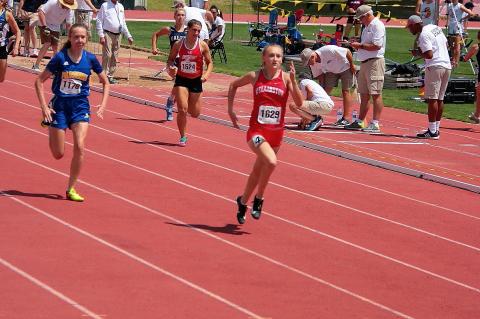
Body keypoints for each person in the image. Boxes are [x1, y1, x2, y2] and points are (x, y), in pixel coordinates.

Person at [228, 44, 303, 224]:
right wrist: (230, 110)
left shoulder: (286, 78)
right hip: (256, 131)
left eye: (278, 56)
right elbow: (233, 85)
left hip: (276, 133)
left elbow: (300, 103)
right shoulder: (255, 76)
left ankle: (243, 201)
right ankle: (259, 198)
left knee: (258, 171)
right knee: (271, 161)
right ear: (264, 58)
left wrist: (293, 82)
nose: (275, 59)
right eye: (271, 55)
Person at [34, 23, 109, 201]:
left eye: (83, 37)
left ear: (87, 38)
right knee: (58, 154)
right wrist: (44, 107)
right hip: (59, 108)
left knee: (80, 146)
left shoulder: (90, 59)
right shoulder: (60, 58)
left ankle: (71, 188)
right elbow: (38, 81)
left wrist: (103, 105)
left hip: (80, 107)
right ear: (70, 38)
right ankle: (50, 125)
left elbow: (106, 82)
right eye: (76, 37)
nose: (80, 40)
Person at [166, 19, 213, 146]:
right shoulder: (178, 44)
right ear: (188, 29)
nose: (196, 33)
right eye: (194, 30)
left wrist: (206, 75)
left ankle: (179, 100)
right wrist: (170, 68)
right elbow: (170, 60)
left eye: (198, 31)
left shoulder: (203, 45)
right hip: (182, 79)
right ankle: (183, 136)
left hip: (196, 81)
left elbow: (210, 63)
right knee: (182, 109)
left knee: (195, 113)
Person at [406, 15, 451, 139]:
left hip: (435, 66)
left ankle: (432, 131)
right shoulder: (434, 27)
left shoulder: (423, 35)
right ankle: (435, 128)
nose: (410, 30)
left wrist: (417, 53)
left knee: (432, 99)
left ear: (415, 25)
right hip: (446, 65)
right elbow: (446, 44)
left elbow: (429, 54)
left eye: (410, 27)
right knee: (440, 98)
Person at [345, 5, 386, 133]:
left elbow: (377, 45)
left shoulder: (377, 25)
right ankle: (360, 121)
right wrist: (357, 41)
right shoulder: (367, 26)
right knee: (364, 94)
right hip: (365, 62)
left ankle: (375, 123)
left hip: (375, 62)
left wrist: (360, 45)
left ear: (367, 15)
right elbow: (368, 42)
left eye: (361, 18)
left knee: (376, 93)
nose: (360, 21)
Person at [300, 45, 356, 126]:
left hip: (345, 67)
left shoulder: (328, 50)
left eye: (308, 62)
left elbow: (347, 51)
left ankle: (345, 118)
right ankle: (317, 115)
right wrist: (321, 89)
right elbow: (320, 77)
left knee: (345, 91)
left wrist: (352, 65)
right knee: (324, 92)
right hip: (331, 71)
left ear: (312, 56)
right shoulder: (313, 64)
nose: (309, 64)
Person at [151, 7, 186, 121]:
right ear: (174, 17)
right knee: (179, 82)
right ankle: (170, 104)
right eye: (178, 15)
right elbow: (155, 34)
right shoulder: (169, 30)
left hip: (185, 62)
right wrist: (154, 48)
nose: (180, 17)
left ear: (185, 17)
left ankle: (171, 100)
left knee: (181, 87)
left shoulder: (188, 31)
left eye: (182, 15)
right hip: (172, 61)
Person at [96, 0, 133, 84]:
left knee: (115, 56)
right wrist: (101, 35)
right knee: (107, 55)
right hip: (107, 33)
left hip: (118, 34)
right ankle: (104, 76)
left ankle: (110, 76)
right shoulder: (105, 5)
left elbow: (123, 22)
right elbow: (99, 20)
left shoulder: (121, 6)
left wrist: (128, 36)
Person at [32, 0, 76, 71]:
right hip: (44, 23)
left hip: (56, 26)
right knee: (47, 43)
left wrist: (71, 36)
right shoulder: (52, 2)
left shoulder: (70, 10)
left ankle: (56, 67)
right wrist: (44, 26)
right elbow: (41, 12)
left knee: (55, 47)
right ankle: (36, 65)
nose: (68, 8)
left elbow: (68, 25)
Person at [444, 0, 474, 68]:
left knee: (457, 46)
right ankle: (453, 60)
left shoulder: (460, 6)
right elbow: (449, 15)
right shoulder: (449, 5)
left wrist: (462, 18)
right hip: (451, 27)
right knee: (451, 46)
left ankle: (456, 62)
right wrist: (447, 22)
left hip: (457, 27)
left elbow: (470, 13)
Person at [0, 0, 20, 81]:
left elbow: (18, 31)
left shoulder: (7, 14)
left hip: (1, 48)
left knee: (1, 78)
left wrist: (16, 47)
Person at [463, 30, 480, 124]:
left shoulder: (475, 46)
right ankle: (477, 115)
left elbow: (466, 58)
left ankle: (477, 115)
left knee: (479, 94)